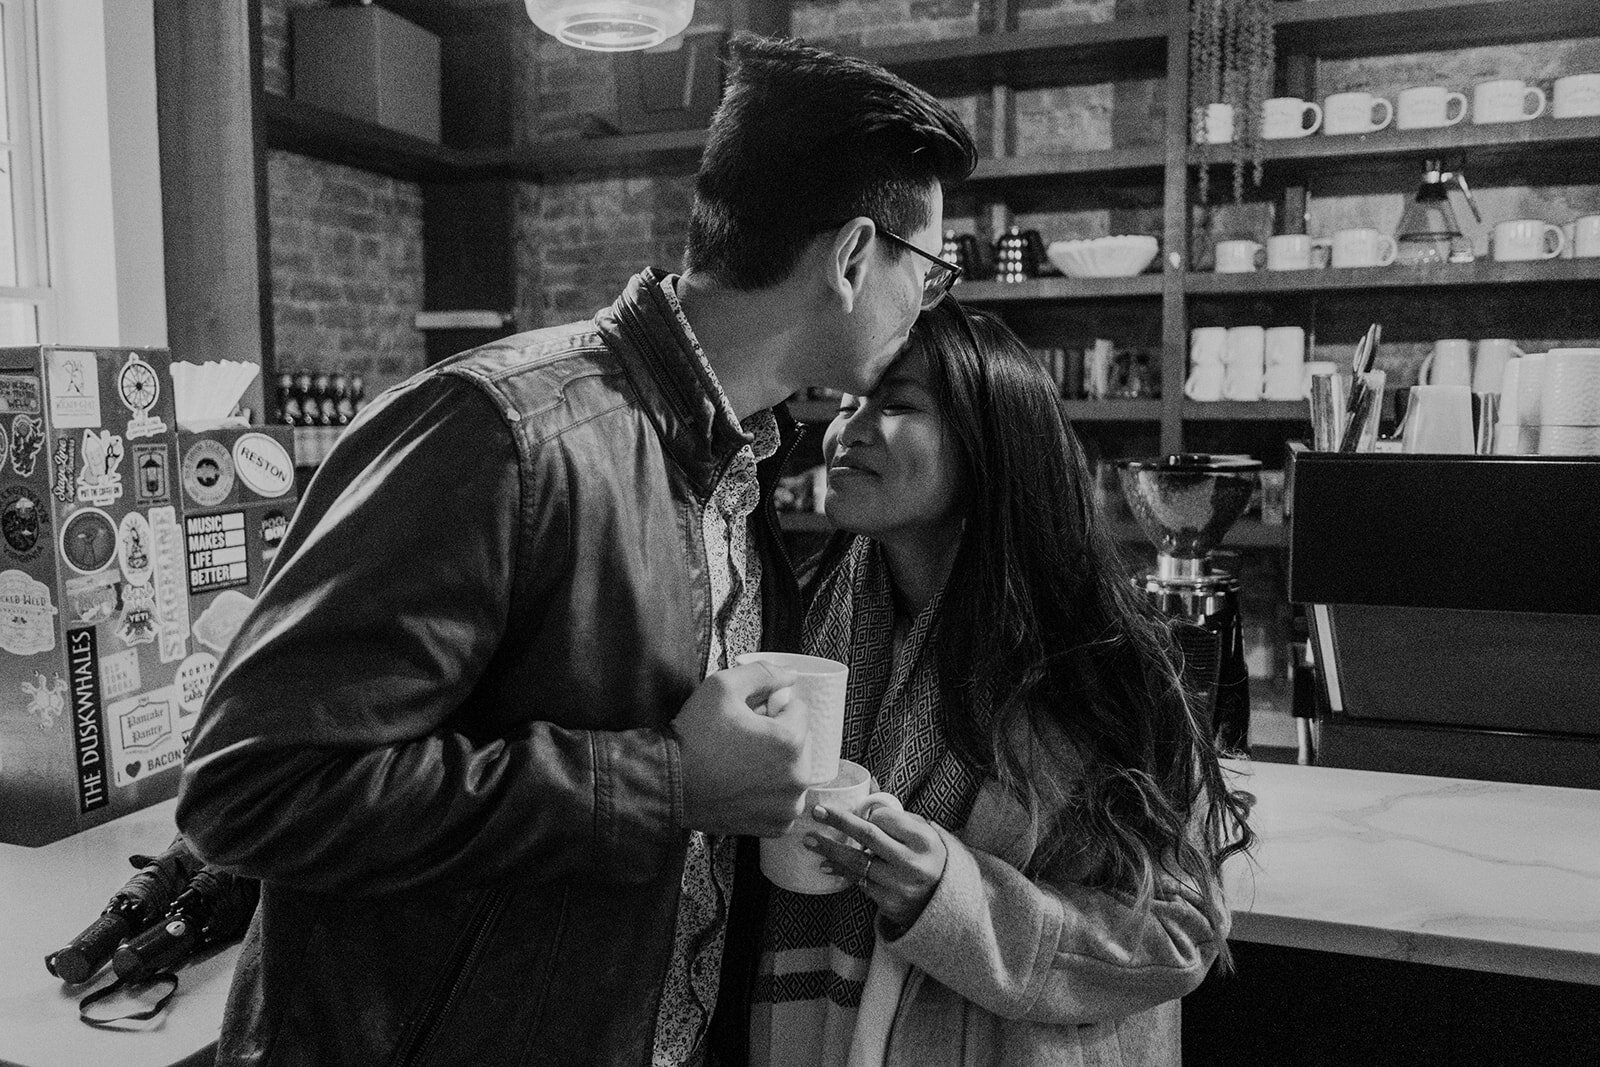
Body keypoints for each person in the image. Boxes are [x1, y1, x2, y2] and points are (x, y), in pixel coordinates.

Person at [175, 34, 975, 1067]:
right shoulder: (501, 431)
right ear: (855, 256)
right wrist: (666, 784)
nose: (928, 302)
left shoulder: (736, 465)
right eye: (932, 271)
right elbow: (254, 789)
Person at [750, 301, 1256, 1066]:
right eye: (850, 399)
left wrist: (951, 897)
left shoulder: (1090, 662)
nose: (847, 428)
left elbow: (1180, 927)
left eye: (898, 404)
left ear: (990, 449)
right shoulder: (807, 629)